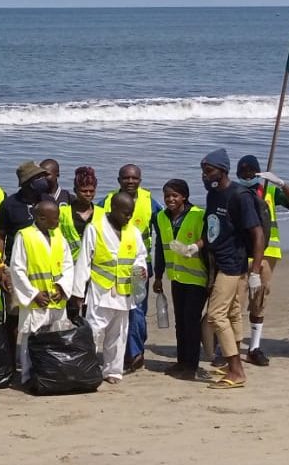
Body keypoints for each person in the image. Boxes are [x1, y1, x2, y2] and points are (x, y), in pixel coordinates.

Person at [199, 148, 265, 390]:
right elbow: (213, 229)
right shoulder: (214, 195)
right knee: (232, 311)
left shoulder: (240, 196)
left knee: (216, 314)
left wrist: (256, 270)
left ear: (223, 171)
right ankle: (232, 363)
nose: (205, 177)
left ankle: (236, 370)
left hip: (233, 264)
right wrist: (194, 246)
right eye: (203, 172)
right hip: (218, 260)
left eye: (209, 171)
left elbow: (257, 234)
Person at [70, 192, 146, 384]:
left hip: (124, 290)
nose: (128, 217)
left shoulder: (133, 232)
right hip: (100, 289)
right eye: (124, 213)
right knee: (94, 330)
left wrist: (142, 269)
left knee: (118, 332)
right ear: (113, 209)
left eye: (131, 213)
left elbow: (140, 256)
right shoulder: (95, 229)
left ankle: (113, 370)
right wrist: (78, 293)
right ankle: (88, 367)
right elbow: (84, 261)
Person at [235, 155, 289, 364]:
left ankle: (254, 347)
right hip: (240, 253)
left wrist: (280, 183)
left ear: (258, 173)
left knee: (260, 299)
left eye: (251, 172)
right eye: (243, 172)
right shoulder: (235, 192)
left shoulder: (269, 190)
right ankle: (230, 347)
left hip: (267, 254)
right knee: (235, 301)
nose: (247, 175)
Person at [103, 164, 162, 372]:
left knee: (137, 310)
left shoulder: (149, 202)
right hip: (113, 267)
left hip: (139, 267)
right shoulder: (107, 202)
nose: (130, 181)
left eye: (134, 178)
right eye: (126, 178)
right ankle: (122, 352)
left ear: (140, 180)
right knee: (117, 311)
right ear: (118, 180)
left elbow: (163, 230)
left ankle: (135, 353)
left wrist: (160, 270)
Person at [9, 201, 75, 381]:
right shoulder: (25, 236)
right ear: (41, 218)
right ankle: (28, 375)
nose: (58, 221)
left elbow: (68, 265)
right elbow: (17, 269)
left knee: (56, 337)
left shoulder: (59, 236)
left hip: (56, 299)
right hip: (35, 301)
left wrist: (62, 287)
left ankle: (52, 374)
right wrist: (33, 294)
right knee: (30, 338)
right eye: (55, 218)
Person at [152, 180, 208, 380]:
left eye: (175, 195)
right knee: (180, 323)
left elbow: (210, 240)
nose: (170, 199)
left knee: (191, 322)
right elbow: (160, 247)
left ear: (184, 196)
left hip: (197, 278)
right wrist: (158, 276)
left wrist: (196, 247)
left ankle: (191, 366)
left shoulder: (199, 215)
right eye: (167, 196)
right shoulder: (160, 217)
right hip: (176, 277)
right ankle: (181, 362)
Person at [0, 160, 54, 260]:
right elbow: (0, 237)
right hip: (16, 261)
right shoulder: (9, 205)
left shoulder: (49, 201)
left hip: (45, 261)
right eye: (39, 177)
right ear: (28, 182)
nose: (43, 180)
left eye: (43, 176)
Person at [59, 167, 103, 261]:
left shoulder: (101, 213)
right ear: (75, 190)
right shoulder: (63, 213)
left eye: (91, 191)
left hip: (94, 263)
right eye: (84, 191)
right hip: (69, 263)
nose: (88, 194)